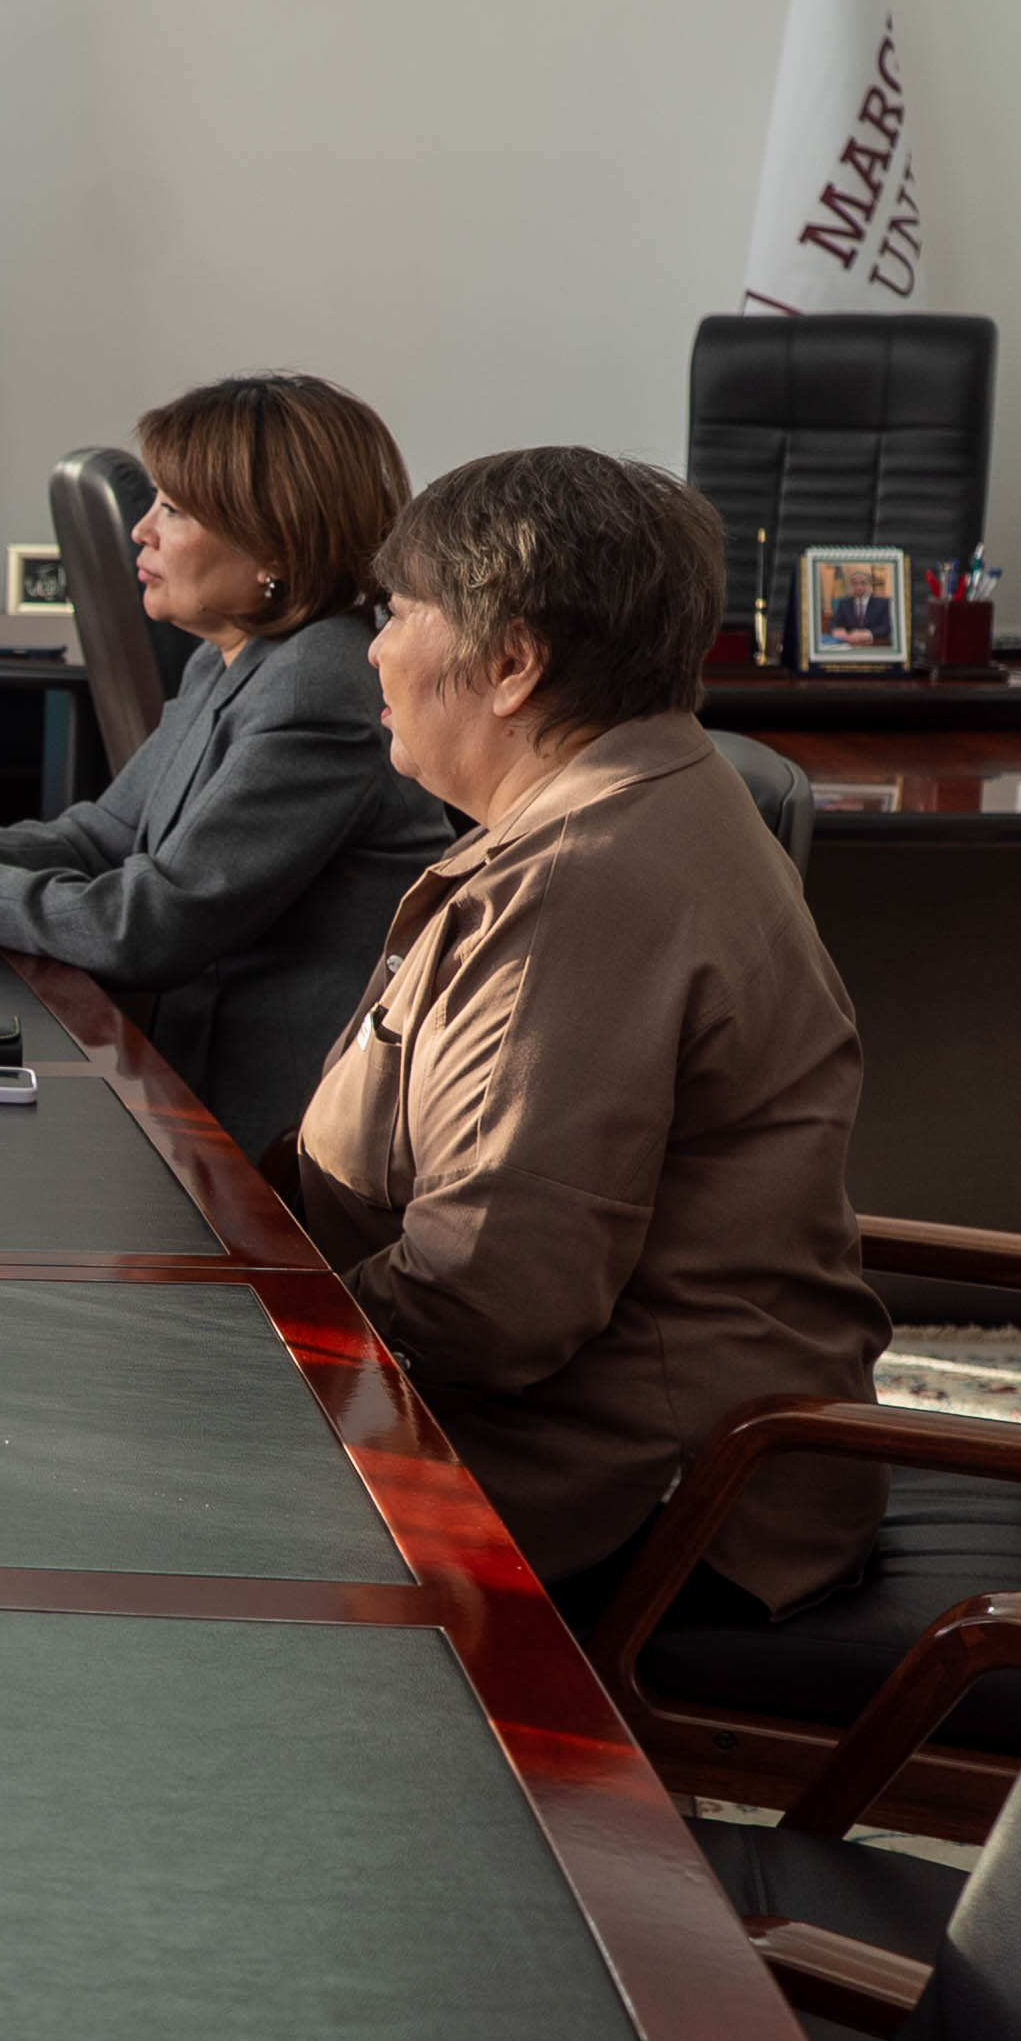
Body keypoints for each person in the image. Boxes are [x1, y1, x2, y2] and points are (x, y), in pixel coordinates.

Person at [276, 446, 887, 1627]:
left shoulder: (581, 882)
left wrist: (259, 1350)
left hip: (646, 1507)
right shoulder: (628, 795)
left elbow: (491, 1298)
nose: (372, 649)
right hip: (613, 1445)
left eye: (396, 612)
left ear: (511, 665)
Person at [0, 375, 452, 1157]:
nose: (140, 531)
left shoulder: (318, 685)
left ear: (275, 546)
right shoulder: (236, 657)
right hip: (182, 1081)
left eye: (173, 510)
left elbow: (152, 925)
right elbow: (101, 838)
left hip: (275, 1138)